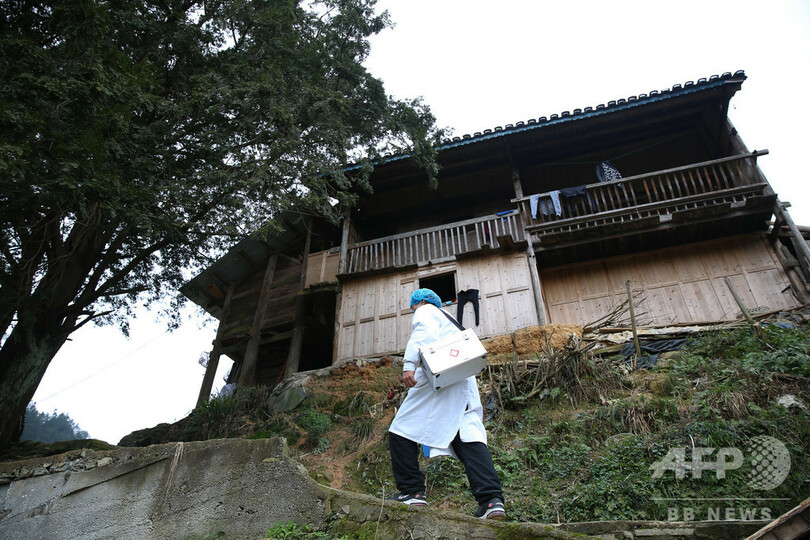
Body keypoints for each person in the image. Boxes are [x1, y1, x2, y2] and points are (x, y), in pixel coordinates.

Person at [387, 288, 506, 520]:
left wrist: (409, 365)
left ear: (421, 302)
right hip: (463, 381)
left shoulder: (426, 311)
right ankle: (491, 500)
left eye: (413, 307)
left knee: (400, 430)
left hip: (439, 378)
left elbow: (423, 333)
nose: (414, 311)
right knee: (467, 438)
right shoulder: (450, 321)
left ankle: (411, 491)